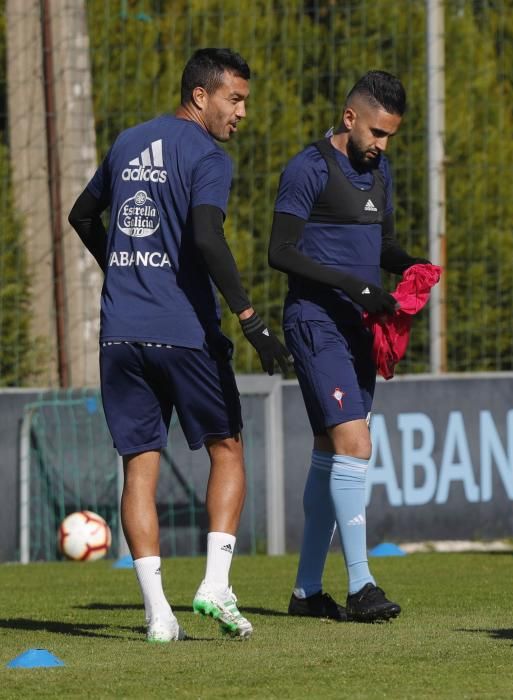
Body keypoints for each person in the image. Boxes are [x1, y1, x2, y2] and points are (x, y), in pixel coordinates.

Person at [68, 48, 290, 642]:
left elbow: (82, 215)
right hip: (184, 333)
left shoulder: (126, 142)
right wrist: (249, 317)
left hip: (120, 332)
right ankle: (215, 585)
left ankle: (157, 616)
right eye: (234, 99)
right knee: (228, 449)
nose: (242, 112)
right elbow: (206, 236)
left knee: (138, 471)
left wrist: (119, 268)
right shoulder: (207, 156)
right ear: (201, 96)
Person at [268, 70, 428, 622]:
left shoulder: (380, 171)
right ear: (349, 117)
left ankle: (306, 592)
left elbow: (380, 245)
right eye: (377, 134)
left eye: (391, 137)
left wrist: (412, 266)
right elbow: (280, 251)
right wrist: (352, 286)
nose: (382, 146)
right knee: (356, 445)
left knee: (330, 453)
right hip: (316, 323)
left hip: (358, 328)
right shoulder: (308, 168)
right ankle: (361, 587)